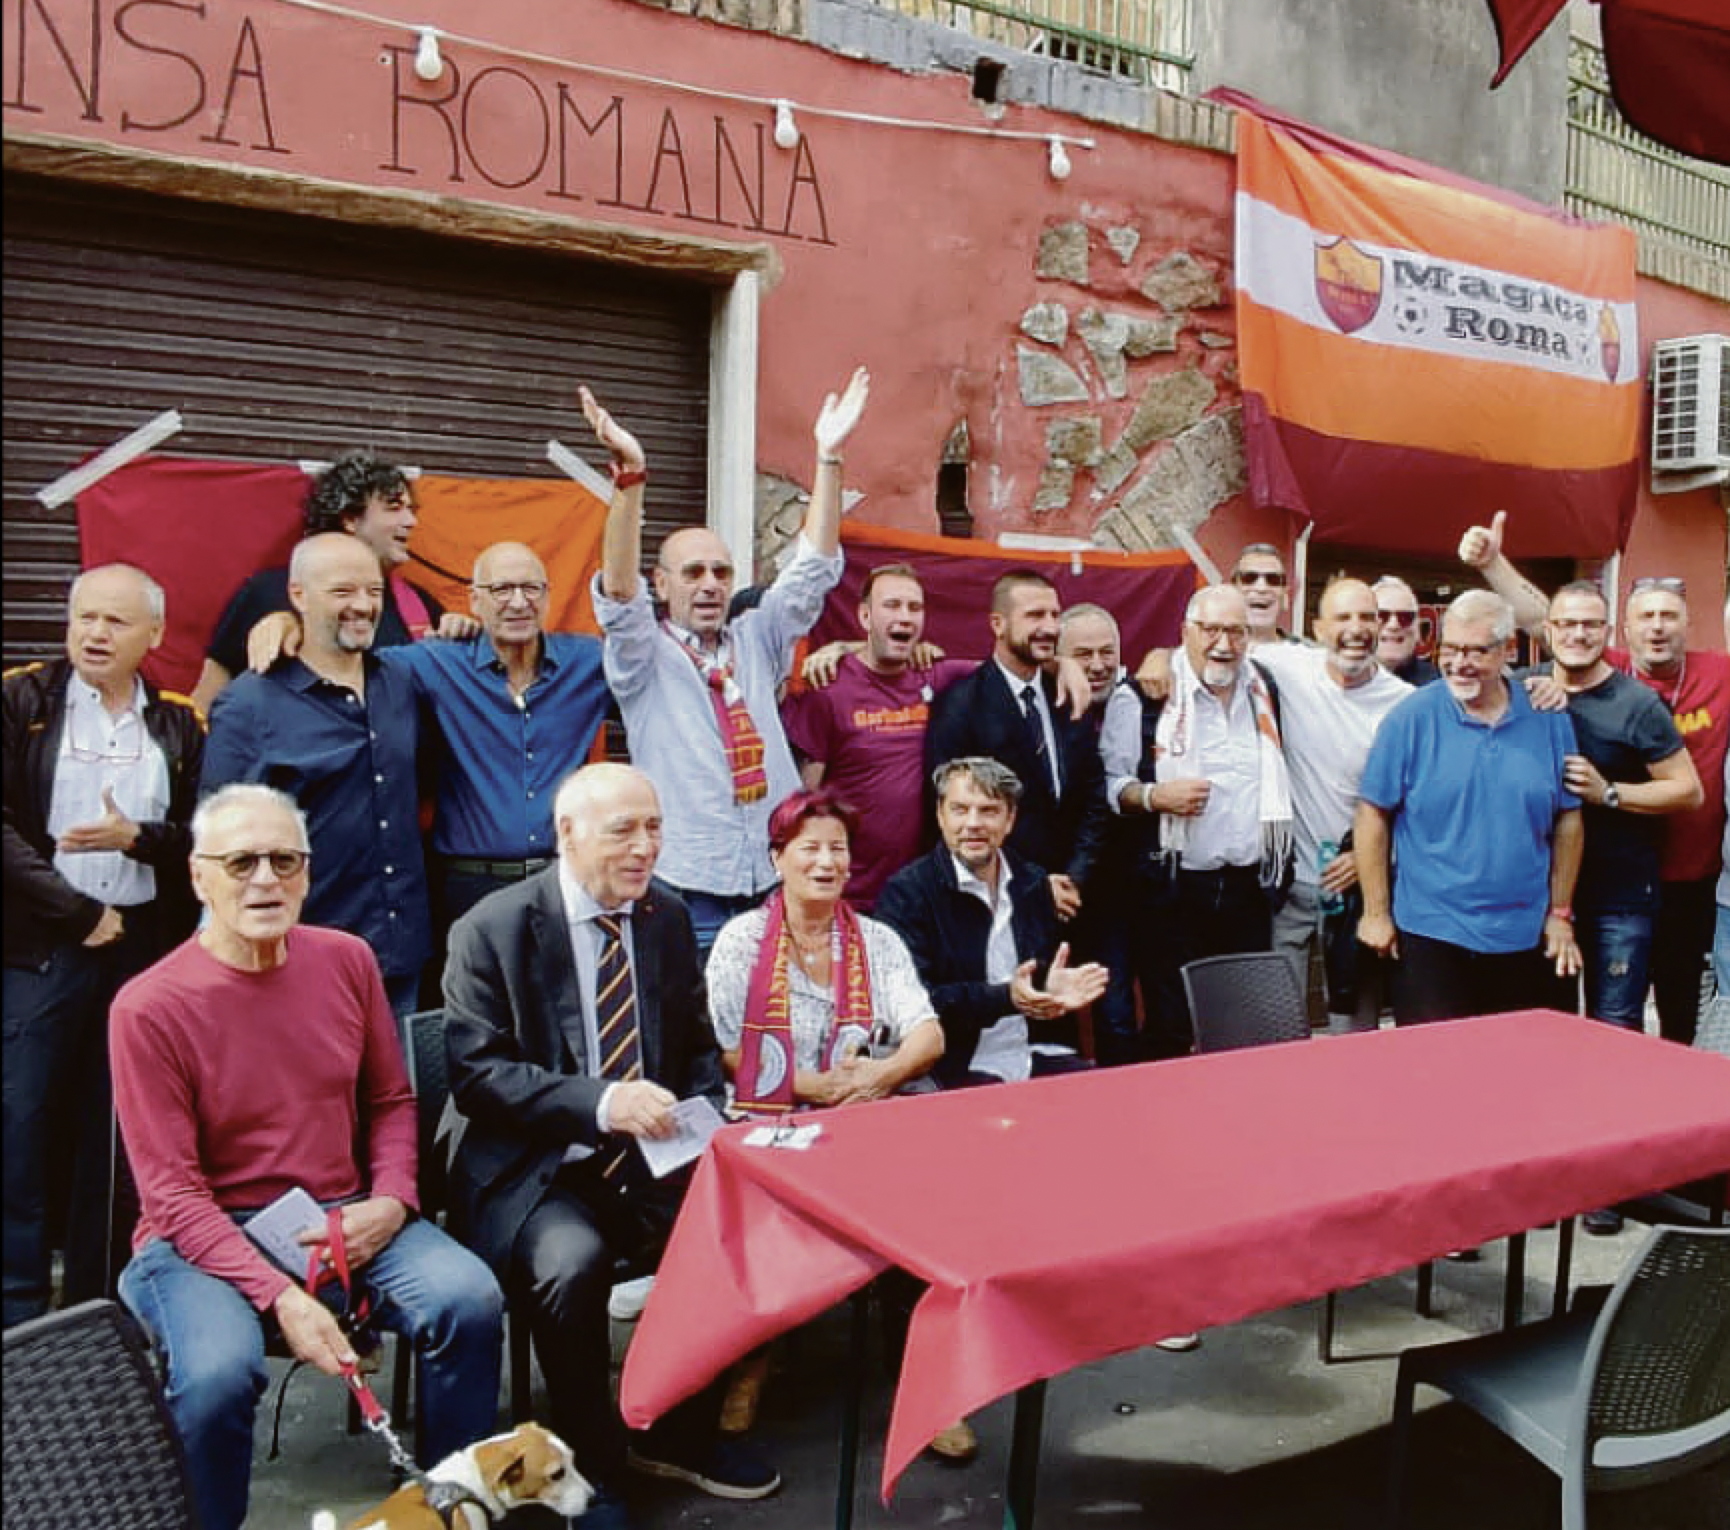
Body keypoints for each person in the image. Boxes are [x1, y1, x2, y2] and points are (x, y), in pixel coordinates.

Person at [110, 784, 503, 1530]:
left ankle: (449, 1515)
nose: (265, 879)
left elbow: (390, 1102)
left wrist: (391, 1201)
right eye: (241, 862)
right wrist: (281, 1296)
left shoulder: (346, 961)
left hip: (343, 1215)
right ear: (199, 877)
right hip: (199, 1239)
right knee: (220, 1376)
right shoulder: (148, 1005)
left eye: (284, 860)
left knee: (468, 1300)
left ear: (308, 872)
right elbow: (173, 1196)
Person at [444, 764, 777, 1529]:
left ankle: (677, 1425)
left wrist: (706, 1120)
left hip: (650, 1154)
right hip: (541, 1169)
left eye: (654, 827)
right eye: (623, 829)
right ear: (567, 833)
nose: (645, 847)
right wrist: (601, 1102)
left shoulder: (662, 918)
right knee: (572, 1263)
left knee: (742, 1220)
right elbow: (478, 1076)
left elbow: (694, 1046)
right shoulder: (492, 928)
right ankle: (590, 1460)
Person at [584, 371, 868, 956]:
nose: (710, 584)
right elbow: (617, 593)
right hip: (692, 890)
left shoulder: (757, 636)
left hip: (773, 876)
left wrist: (829, 457)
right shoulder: (645, 655)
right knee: (702, 1037)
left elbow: (812, 567)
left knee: (780, 1028)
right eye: (692, 573)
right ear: (661, 584)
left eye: (721, 572)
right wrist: (631, 479)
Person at [705, 788, 949, 1449]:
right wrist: (811, 1085)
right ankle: (753, 1359)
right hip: (772, 1114)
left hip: (862, 1114)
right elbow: (727, 1052)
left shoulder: (876, 940)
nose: (825, 862)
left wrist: (878, 1076)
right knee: (757, 1187)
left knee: (921, 1198)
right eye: (808, 848)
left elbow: (927, 1036)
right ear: (778, 857)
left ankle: (925, 1384)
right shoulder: (741, 940)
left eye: (836, 849)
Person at [3, 565, 204, 1328]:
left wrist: (137, 839)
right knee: (20, 1125)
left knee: (116, 1134)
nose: (93, 634)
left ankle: (98, 1302)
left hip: (137, 955)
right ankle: (18, 1312)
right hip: (43, 950)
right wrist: (74, 909)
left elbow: (197, 835)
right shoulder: (22, 698)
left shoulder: (178, 722)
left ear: (153, 636)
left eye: (115, 622)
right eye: (84, 617)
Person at [1460, 511, 1730, 1043]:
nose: (1657, 626)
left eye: (1669, 616)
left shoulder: (1718, 673)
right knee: (1562, 1018)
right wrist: (1494, 565)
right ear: (1624, 631)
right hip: (1579, 880)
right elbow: (1552, 621)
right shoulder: (1574, 674)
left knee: (1668, 1014)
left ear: (1688, 624)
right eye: (1646, 616)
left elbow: (1686, 789)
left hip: (1686, 882)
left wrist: (1608, 790)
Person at [200, 533, 429, 1015]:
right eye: (343, 592)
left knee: (396, 1092)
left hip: (398, 954)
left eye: (373, 591)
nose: (363, 606)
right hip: (298, 959)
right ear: (299, 595)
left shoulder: (403, 681)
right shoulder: (250, 704)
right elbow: (217, 843)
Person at [1536, 581, 1700, 1235]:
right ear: (1546, 628)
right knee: (1544, 1035)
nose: (1576, 635)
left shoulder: (1637, 704)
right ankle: (1545, 1178)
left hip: (1619, 896)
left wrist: (1610, 795)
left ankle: (1605, 1185)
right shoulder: (1527, 692)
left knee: (1612, 1036)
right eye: (1565, 624)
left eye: (1590, 625)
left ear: (1608, 631)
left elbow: (1685, 790)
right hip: (1544, 896)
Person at [1356, 590, 1583, 1024]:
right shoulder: (1410, 718)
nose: (1460, 663)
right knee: (1436, 1077)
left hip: (1524, 935)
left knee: (1517, 1077)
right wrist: (1376, 912)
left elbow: (1568, 821)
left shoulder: (1548, 717)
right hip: (1431, 934)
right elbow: (1372, 814)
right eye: (1451, 648)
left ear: (1507, 651)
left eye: (1476, 651)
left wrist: (1559, 913)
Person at [1113, 584, 1294, 1059]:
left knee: (1243, 1028)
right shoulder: (1143, 696)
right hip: (1173, 890)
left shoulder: (1264, 687)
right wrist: (1154, 796)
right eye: (1210, 629)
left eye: (1235, 631)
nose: (1224, 643)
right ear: (1185, 633)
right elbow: (1109, 787)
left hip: (1249, 890)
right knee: (1171, 1027)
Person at [876, 757, 1103, 1088]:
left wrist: (1050, 991)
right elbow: (915, 1003)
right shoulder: (906, 895)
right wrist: (1005, 998)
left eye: (989, 811)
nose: (973, 824)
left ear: (1010, 819)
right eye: (960, 809)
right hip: (953, 1067)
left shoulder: (1032, 882)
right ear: (940, 815)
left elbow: (1040, 981)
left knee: (1100, 1100)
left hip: (1033, 1053)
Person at [1249, 578, 1412, 1033]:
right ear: (1317, 628)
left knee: (1351, 1030)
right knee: (1279, 1026)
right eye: (1343, 617)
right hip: (1291, 890)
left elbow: (1424, 809)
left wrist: (1369, 858)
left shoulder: (1406, 706)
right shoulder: (1284, 665)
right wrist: (1160, 658)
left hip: (1360, 893)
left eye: (1367, 617)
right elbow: (1208, 648)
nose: (1356, 629)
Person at [780, 563, 971, 911]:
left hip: (919, 894)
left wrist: (1062, 665)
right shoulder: (828, 687)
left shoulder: (935, 676)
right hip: (847, 894)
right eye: (892, 606)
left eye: (914, 608)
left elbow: (1009, 670)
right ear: (865, 616)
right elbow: (804, 800)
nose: (905, 616)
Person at [924, 570, 1109, 925]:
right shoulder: (962, 705)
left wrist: (1075, 876)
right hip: (1000, 906)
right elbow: (954, 813)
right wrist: (1035, 886)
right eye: (1035, 615)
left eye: (1054, 615)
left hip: (1079, 899)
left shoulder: (1070, 692)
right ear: (998, 624)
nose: (1050, 627)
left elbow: (1092, 796)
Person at [192, 452, 443, 713]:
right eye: (394, 507)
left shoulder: (420, 605)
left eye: (411, 510)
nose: (410, 522)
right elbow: (207, 700)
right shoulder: (265, 592)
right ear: (349, 519)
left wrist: (461, 631)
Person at [1055, 603, 1146, 1065]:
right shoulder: (1038, 702)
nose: (1096, 664)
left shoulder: (1141, 696)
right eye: (1083, 653)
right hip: (1050, 885)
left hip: (1114, 890)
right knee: (1052, 1016)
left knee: (1115, 1015)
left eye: (1107, 652)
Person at [1373, 576, 1440, 686]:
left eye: (1405, 617)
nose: (1393, 625)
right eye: (1382, 616)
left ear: (1417, 628)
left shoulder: (1439, 687)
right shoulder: (1340, 681)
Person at [1231, 542, 1299, 650]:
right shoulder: (1205, 654)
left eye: (1273, 580)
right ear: (1232, 591)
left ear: (1285, 595)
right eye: (1249, 578)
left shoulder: (1310, 659)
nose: (1261, 588)